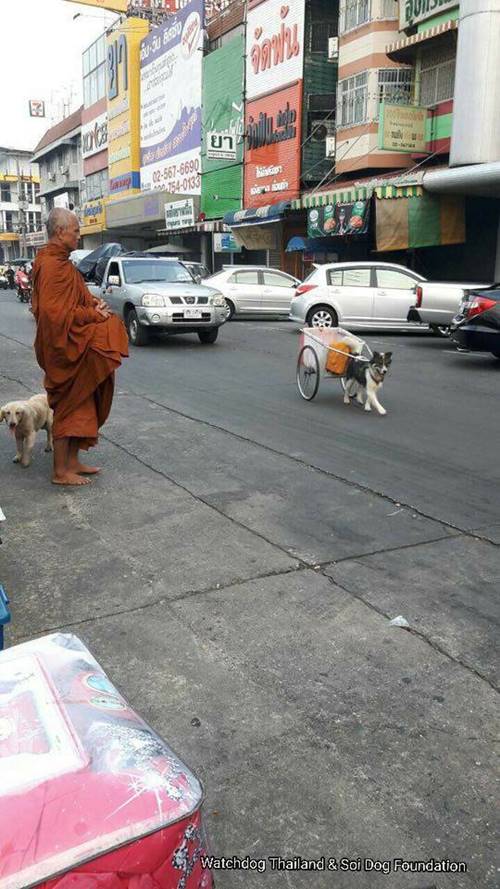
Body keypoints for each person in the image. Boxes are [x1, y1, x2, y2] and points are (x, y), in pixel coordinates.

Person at [31, 208, 129, 486]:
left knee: (83, 402)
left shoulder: (62, 263)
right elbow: (53, 314)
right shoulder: (51, 265)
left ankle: (72, 461)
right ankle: (60, 472)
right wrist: (91, 315)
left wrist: (92, 304)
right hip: (64, 348)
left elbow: (77, 296)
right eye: (75, 230)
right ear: (60, 232)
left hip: (76, 345)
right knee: (68, 405)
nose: (78, 235)